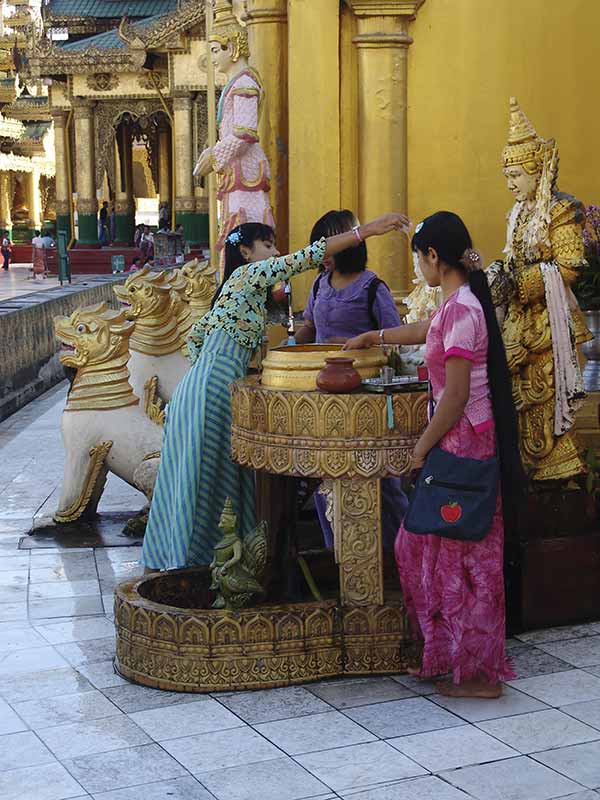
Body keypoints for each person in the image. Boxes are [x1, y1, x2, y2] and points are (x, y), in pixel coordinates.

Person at [141, 212, 409, 573]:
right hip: (215, 388)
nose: (276, 251)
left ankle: (195, 560)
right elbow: (307, 257)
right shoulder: (248, 274)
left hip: (203, 386)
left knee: (207, 475)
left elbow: (196, 339)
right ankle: (198, 562)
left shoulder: (240, 292)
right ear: (248, 253)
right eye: (268, 245)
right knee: (209, 478)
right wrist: (368, 230)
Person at [346, 211, 524, 699]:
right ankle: (445, 656)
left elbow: (457, 395)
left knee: (465, 557)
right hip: (456, 441)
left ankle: (480, 674)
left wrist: (420, 449)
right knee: (428, 549)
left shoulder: (465, 310)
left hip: (463, 444)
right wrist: (375, 337)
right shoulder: (455, 306)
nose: (418, 269)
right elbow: (429, 329)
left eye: (419, 258)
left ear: (433, 257)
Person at [295, 209, 408, 549]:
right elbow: (309, 330)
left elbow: (395, 337)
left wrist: (372, 341)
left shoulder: (372, 287)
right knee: (326, 481)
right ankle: (338, 555)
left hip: (365, 399)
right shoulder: (319, 284)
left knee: (383, 483)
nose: (323, 256)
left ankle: (403, 551)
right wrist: (282, 352)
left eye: (328, 247)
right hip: (324, 396)